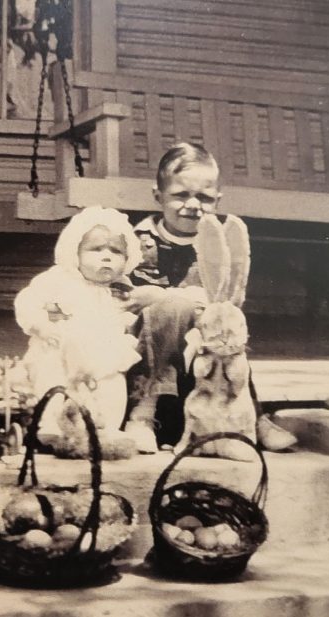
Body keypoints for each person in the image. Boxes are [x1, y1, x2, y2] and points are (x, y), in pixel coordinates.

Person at [123, 142, 297, 454]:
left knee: (226, 323)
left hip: (200, 346)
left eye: (204, 197)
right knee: (175, 306)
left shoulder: (214, 243)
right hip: (150, 343)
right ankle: (143, 413)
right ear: (158, 196)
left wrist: (169, 296)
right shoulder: (141, 241)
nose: (193, 205)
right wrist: (167, 298)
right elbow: (133, 297)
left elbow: (218, 295)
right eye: (180, 195)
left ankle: (251, 416)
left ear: (217, 199)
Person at [14, 206, 143, 444]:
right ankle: (48, 425)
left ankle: (106, 428)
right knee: (51, 378)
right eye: (96, 249)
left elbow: (128, 320)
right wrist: (41, 325)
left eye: (116, 251)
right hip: (59, 349)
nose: (107, 256)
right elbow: (28, 302)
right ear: (74, 252)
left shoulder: (121, 288)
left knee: (112, 384)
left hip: (102, 355)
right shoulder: (57, 279)